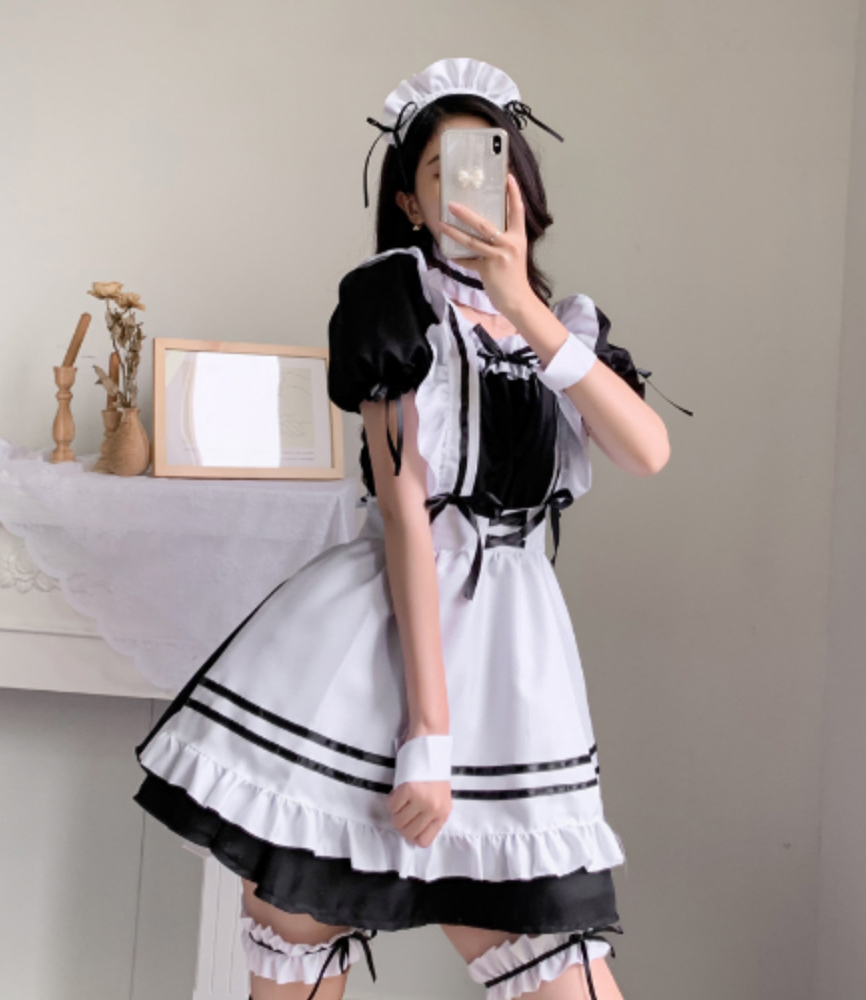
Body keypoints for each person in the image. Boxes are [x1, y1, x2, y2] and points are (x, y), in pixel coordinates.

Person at [131, 56, 689, 1000]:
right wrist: (426, 735)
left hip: (515, 670)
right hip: (375, 662)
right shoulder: (395, 306)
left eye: (490, 161)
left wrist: (521, 305)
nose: (471, 186)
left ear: (521, 182)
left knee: (562, 967)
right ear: (409, 200)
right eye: (442, 170)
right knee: (299, 950)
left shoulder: (563, 327)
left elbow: (648, 450)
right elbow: (405, 517)